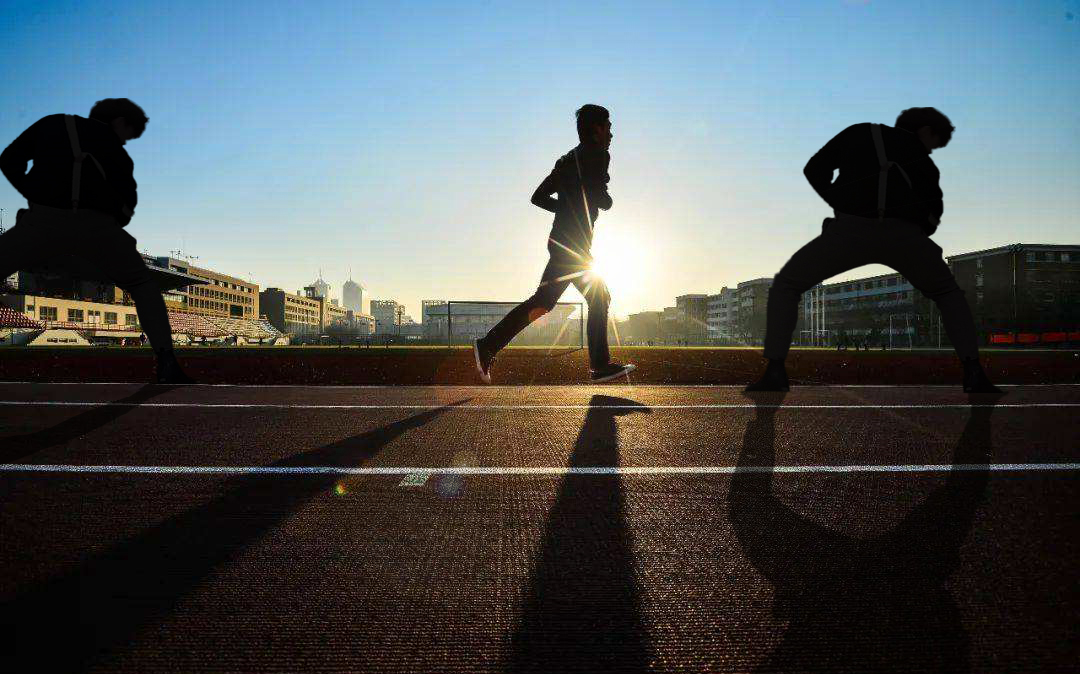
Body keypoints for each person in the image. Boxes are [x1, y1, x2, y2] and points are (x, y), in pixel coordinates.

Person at [747, 107, 1000, 393]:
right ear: (924, 130)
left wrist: (839, 201)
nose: (936, 146)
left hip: (850, 229)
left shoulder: (860, 133)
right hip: (904, 235)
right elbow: (934, 214)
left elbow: (814, 169)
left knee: (787, 284)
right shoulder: (925, 164)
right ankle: (974, 371)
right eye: (938, 139)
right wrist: (913, 232)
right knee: (948, 294)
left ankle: (776, 370)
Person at [0, 98, 194, 384]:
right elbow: (127, 208)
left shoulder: (53, 123)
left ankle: (167, 361)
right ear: (118, 121)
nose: (127, 140)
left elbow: (9, 160)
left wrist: (35, 192)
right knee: (142, 284)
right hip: (96, 226)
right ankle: (166, 360)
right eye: (129, 132)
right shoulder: (116, 153)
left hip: (43, 219)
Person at [473, 105, 635, 384]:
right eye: (608, 126)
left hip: (561, 242)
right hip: (574, 246)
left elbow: (538, 197)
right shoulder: (599, 154)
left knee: (543, 302)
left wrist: (566, 207)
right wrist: (598, 198)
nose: (612, 133)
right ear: (596, 129)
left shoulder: (566, 160)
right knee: (600, 296)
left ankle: (487, 346)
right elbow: (603, 200)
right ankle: (599, 365)